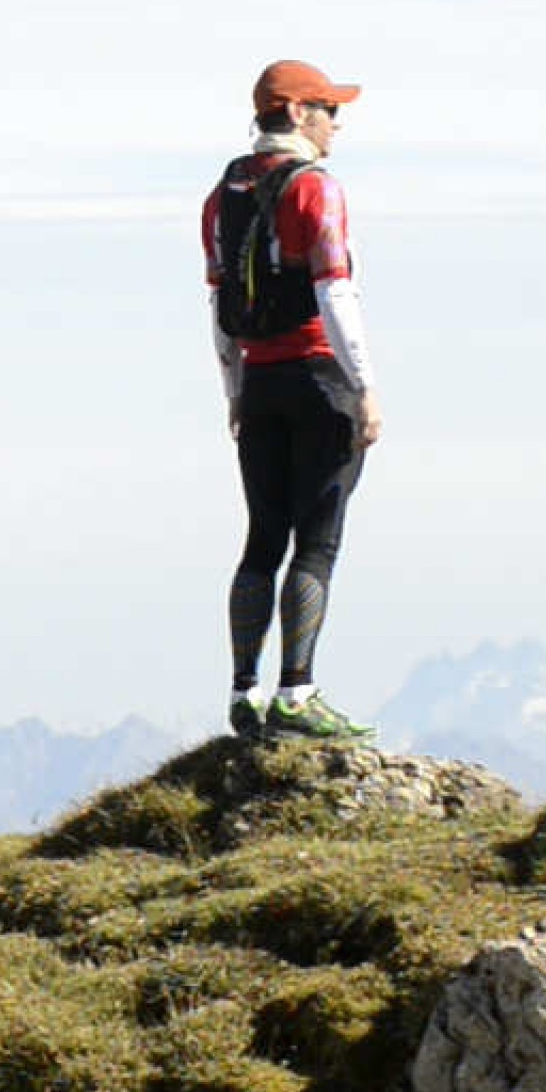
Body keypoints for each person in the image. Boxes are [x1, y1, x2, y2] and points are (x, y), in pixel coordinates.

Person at [201, 58, 383, 741]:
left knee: (260, 540)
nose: (337, 124)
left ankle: (244, 694)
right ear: (298, 114)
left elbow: (219, 303)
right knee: (316, 544)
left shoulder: (224, 195)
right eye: (329, 109)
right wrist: (362, 386)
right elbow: (335, 289)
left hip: (261, 383)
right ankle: (297, 694)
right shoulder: (317, 190)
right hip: (318, 379)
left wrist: (236, 390)